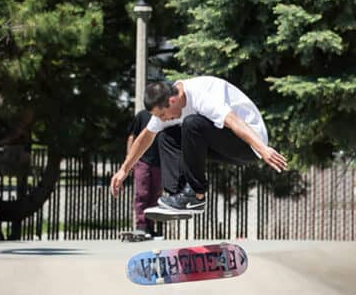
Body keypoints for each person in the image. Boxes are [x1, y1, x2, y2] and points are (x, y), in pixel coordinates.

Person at [109, 76, 288, 214]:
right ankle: (178, 196)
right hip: (221, 142)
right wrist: (124, 169)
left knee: (192, 124)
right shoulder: (169, 106)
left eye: (163, 115)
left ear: (172, 101)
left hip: (248, 144)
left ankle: (195, 195)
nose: (163, 119)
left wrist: (263, 148)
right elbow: (145, 137)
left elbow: (233, 121)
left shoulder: (200, 95)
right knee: (167, 136)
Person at [125, 108, 164, 237]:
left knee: (155, 195)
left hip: (159, 161)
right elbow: (132, 136)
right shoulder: (142, 115)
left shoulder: (166, 113)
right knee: (142, 193)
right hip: (142, 160)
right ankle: (141, 225)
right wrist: (130, 158)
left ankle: (150, 226)